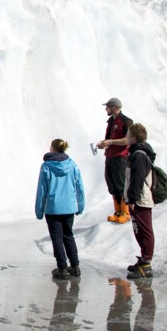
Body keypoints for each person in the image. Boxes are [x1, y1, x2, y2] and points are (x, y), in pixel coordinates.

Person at [35, 138, 85, 280]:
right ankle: (75, 266)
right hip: (69, 207)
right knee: (68, 235)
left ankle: (62, 268)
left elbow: (42, 190)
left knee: (57, 237)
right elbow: (79, 187)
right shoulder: (73, 165)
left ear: (53, 149)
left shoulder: (46, 166)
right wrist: (80, 205)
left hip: (53, 208)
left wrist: (39, 210)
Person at [124, 123, 155, 279]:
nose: (126, 138)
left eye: (128, 135)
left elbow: (137, 179)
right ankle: (143, 260)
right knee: (139, 230)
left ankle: (146, 264)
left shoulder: (139, 155)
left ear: (134, 138)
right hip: (137, 199)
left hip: (140, 200)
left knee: (145, 230)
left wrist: (133, 198)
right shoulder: (136, 153)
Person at [96, 97, 133, 224]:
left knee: (121, 184)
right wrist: (105, 144)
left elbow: (128, 140)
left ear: (113, 107)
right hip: (110, 156)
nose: (106, 109)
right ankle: (117, 212)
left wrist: (110, 142)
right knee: (112, 183)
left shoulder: (126, 121)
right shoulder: (111, 121)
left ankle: (126, 213)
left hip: (120, 157)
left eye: (107, 107)